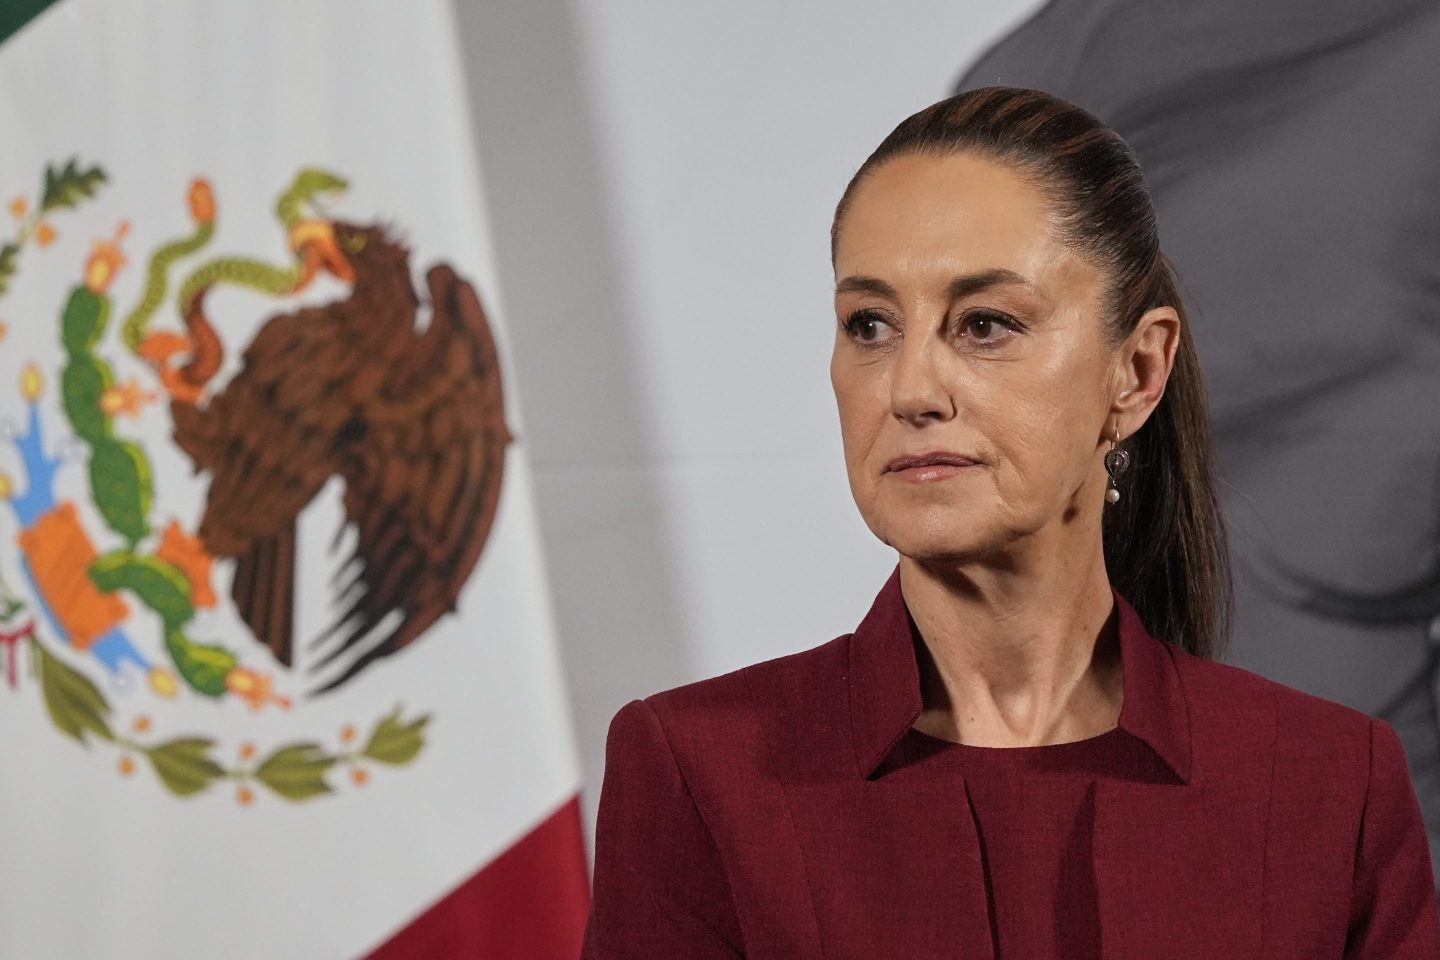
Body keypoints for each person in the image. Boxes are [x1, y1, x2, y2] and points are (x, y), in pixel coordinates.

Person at [578, 86, 1440, 958]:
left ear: (1138, 372)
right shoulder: (697, 774)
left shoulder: (1332, 784)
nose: (910, 390)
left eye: (985, 324)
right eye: (869, 325)